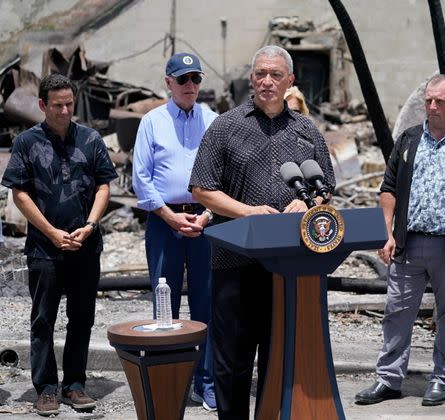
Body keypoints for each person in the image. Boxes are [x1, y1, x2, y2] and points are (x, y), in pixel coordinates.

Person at [189, 45, 335, 419]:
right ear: (251, 79)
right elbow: (202, 188)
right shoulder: (225, 126)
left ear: (290, 81)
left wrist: (309, 204)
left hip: (288, 266)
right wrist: (249, 212)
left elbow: (326, 188)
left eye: (275, 75)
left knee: (279, 356)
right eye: (260, 74)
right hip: (234, 260)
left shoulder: (306, 130)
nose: (267, 81)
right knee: (233, 359)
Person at [355, 74, 445, 407]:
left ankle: (441, 379)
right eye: (429, 101)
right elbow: (388, 189)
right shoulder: (408, 140)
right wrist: (387, 233)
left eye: (440, 102)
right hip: (410, 243)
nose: (432, 107)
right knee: (396, 312)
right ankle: (389, 379)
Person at [1, 74, 117, 416]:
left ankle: (75, 386)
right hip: (44, 248)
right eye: (57, 105)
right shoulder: (26, 143)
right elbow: (19, 194)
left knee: (82, 318)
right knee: (42, 320)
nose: (65, 110)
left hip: (85, 245)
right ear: (42, 105)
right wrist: (51, 232)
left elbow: (104, 187)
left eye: (69, 104)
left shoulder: (92, 139)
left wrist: (90, 225)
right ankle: (46, 389)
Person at [132, 52, 218, 411]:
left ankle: (206, 381)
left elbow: (224, 176)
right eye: (183, 80)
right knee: (165, 304)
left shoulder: (214, 121)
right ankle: (169, 377)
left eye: (196, 79)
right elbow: (141, 178)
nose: (190, 86)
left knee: (207, 303)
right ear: (168, 83)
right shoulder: (151, 122)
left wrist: (208, 214)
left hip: (204, 223)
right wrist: (169, 216)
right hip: (164, 224)